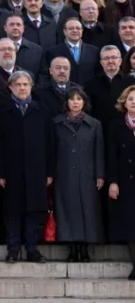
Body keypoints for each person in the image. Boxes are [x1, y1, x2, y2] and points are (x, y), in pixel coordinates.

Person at [0, 70, 54, 263]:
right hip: (11, 170)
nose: (22, 88)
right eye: (18, 85)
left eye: (25, 85)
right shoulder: (1, 110)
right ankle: (13, 249)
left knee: (33, 210)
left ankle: (32, 249)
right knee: (12, 210)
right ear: (10, 87)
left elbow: (50, 143)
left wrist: (49, 172)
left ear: (31, 87)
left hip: (36, 169)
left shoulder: (41, 110)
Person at [51, 87, 105, 262]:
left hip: (87, 175)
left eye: (79, 99)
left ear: (84, 102)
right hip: (64, 174)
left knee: (88, 211)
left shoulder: (94, 124)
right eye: (72, 99)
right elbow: (51, 151)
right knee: (67, 210)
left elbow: (99, 151)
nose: (75, 102)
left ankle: (85, 248)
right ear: (66, 102)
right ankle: (72, 249)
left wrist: (100, 174)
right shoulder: (56, 123)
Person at [106, 84, 135, 279]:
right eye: (131, 99)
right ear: (125, 102)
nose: (134, 103)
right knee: (131, 225)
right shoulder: (116, 125)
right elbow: (111, 156)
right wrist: (113, 182)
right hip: (126, 181)